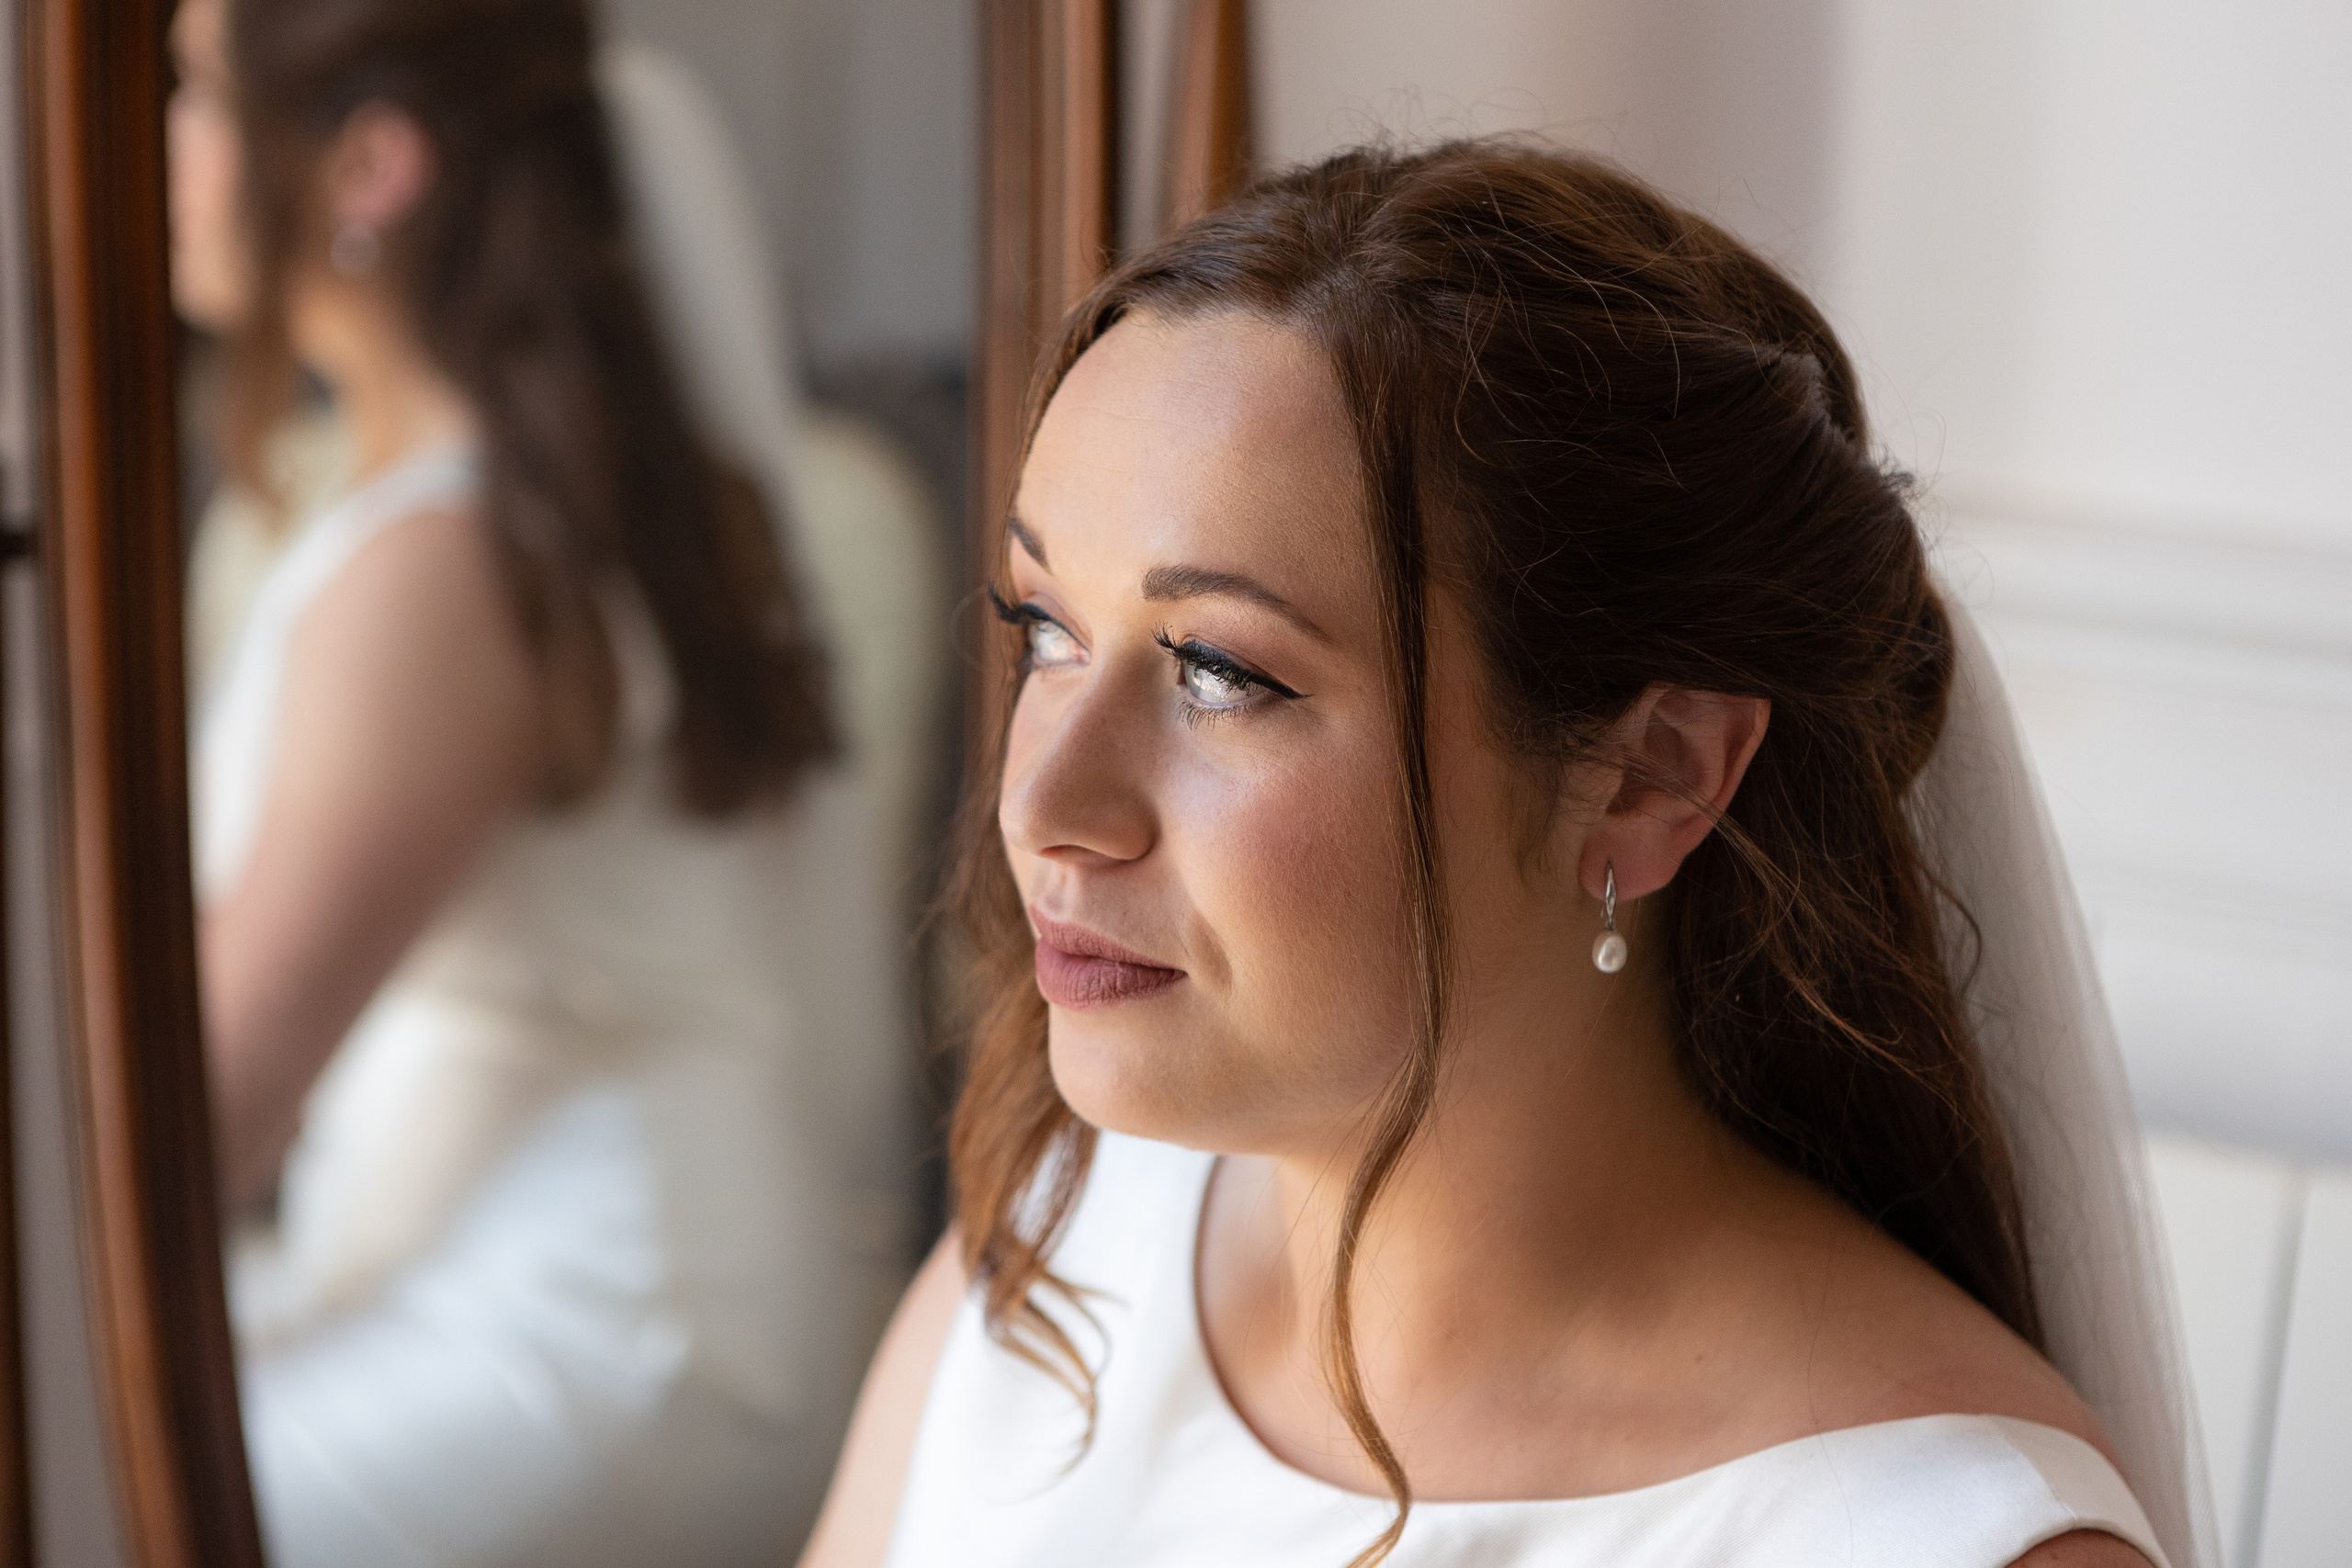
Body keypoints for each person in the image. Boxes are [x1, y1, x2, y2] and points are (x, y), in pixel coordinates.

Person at [800, 142, 2208, 1568]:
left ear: (1653, 777)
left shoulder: (1929, 1537)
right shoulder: (1057, 1252)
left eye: (1220, 670)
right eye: (1044, 627)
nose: (1044, 800)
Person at [166, 1, 908, 1562]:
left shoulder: (440, 571)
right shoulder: (452, 507)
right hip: (501, 1256)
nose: (170, 151)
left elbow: (194, 1115)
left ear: (368, 167)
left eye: (196, 97)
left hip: (604, 1330)